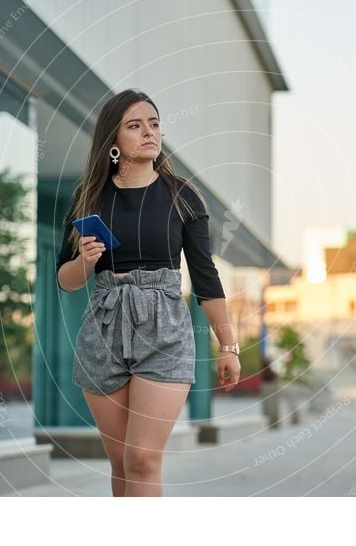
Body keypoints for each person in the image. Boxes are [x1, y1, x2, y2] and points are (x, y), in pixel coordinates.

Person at [55, 88, 241, 497]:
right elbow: (65, 280)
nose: (148, 133)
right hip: (103, 328)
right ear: (113, 141)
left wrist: (228, 345)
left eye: (154, 124)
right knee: (121, 464)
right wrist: (85, 262)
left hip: (164, 329)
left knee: (142, 460)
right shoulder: (89, 198)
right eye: (135, 126)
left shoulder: (182, 195)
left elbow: (206, 279)